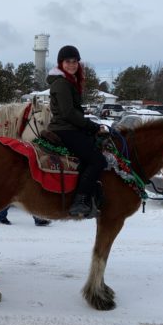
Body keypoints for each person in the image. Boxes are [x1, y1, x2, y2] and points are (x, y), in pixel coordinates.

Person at [46, 45, 107, 218]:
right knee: (97, 160)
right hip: (65, 129)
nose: (72, 65)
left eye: (75, 62)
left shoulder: (68, 81)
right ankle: (80, 200)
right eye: (68, 61)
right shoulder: (62, 83)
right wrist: (93, 126)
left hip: (68, 127)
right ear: (61, 63)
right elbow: (68, 113)